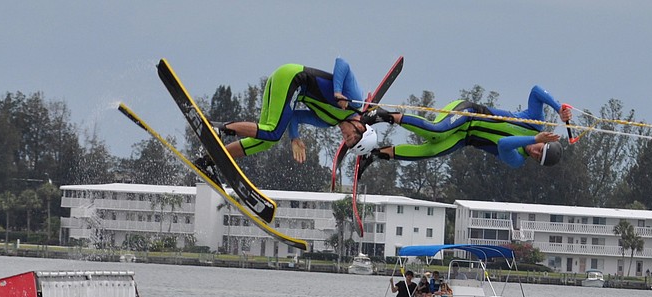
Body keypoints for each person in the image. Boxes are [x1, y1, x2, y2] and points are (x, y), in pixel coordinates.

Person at [197, 58, 377, 173]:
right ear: (360, 127)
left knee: (267, 140)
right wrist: (338, 92)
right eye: (351, 138)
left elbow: (295, 117)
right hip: (294, 77)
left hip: (287, 86)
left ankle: (210, 161)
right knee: (273, 132)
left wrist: (294, 138)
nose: (345, 138)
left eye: (348, 143)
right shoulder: (354, 101)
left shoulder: (328, 122)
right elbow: (342, 63)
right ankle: (218, 128)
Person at [361, 85, 573, 168]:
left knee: (430, 151)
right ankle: (383, 116)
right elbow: (536, 91)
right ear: (547, 139)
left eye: (537, 157)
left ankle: (376, 154)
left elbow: (504, 144)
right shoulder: (534, 121)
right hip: (467, 113)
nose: (535, 152)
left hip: (464, 138)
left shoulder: (518, 160)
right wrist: (558, 108)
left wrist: (535, 140)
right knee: (437, 132)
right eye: (540, 150)